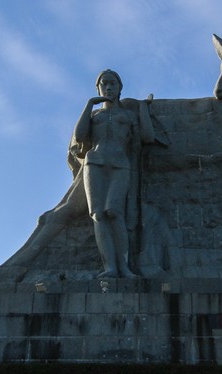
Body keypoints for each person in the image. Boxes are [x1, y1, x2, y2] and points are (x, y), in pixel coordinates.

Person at [73, 69, 156, 278]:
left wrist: (143, 109)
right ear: (98, 88)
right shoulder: (94, 115)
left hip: (120, 164)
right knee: (98, 214)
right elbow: (80, 135)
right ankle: (110, 267)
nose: (108, 87)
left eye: (113, 84)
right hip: (95, 163)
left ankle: (124, 267)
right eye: (104, 84)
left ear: (120, 88)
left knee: (114, 212)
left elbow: (147, 137)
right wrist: (89, 105)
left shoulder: (127, 115)